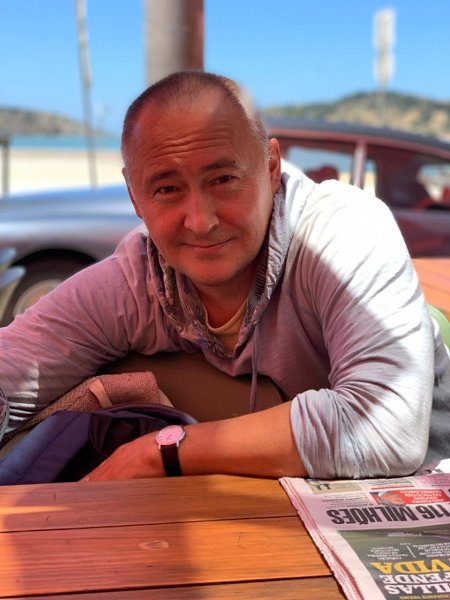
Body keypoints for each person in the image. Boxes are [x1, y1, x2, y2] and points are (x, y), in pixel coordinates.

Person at [0, 71, 449, 482]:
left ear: (271, 167)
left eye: (223, 180)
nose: (201, 221)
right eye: (167, 189)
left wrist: (160, 451)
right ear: (135, 197)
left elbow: (385, 427)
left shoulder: (341, 231)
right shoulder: (139, 278)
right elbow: (14, 367)